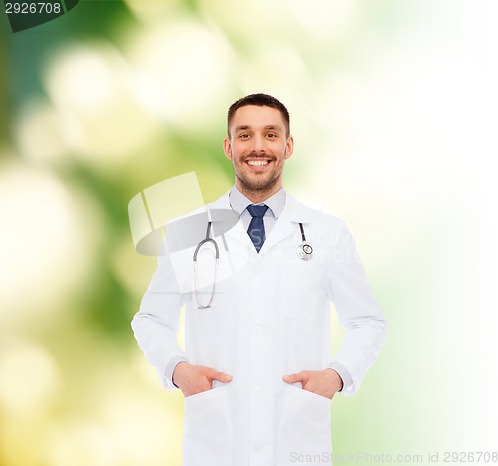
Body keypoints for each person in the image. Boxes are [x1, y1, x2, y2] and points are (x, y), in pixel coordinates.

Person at [131, 93, 387, 466]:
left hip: (296, 440)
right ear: (228, 145)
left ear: (288, 145)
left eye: (270, 134)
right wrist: (178, 370)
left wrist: (337, 375)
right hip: (216, 443)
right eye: (245, 134)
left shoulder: (328, 234)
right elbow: (151, 319)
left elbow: (367, 322)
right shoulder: (188, 232)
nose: (258, 147)